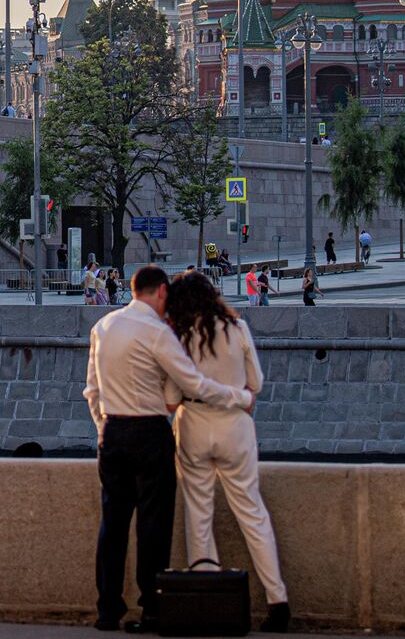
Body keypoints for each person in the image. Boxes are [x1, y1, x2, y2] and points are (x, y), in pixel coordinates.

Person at [83, 265, 255, 634]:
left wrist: (104, 427)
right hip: (148, 431)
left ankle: (107, 611)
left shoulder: (103, 327)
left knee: (112, 526)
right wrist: (238, 397)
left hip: (112, 431)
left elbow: (92, 391)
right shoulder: (157, 333)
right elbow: (192, 382)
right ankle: (151, 609)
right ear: (161, 291)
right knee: (153, 525)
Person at [163, 271, 289, 633]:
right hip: (236, 426)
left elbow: (171, 398)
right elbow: (258, 384)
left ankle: (208, 601)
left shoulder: (180, 336)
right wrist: (238, 394)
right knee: (252, 512)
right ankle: (277, 601)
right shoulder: (238, 328)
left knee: (199, 514)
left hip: (193, 425)